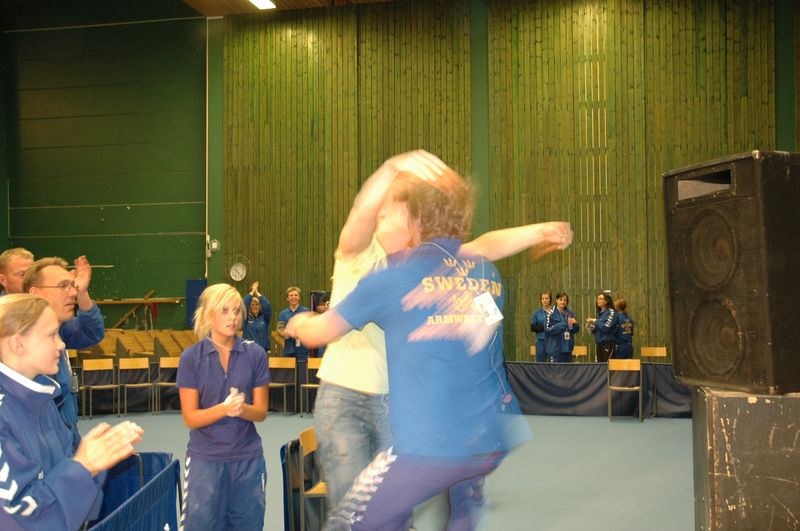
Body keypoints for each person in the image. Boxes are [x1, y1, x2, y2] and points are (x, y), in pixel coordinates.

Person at [287, 161, 556, 530]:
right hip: (489, 439)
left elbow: (319, 333)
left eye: (390, 214)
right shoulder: (483, 271)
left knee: (351, 518)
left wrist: (298, 322)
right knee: (459, 510)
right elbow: (484, 286)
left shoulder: (392, 278)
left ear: (415, 220)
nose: (380, 222)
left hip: (429, 446)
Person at [0, 294, 143, 530]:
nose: (62, 344)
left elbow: (76, 505)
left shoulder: (43, 401)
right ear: (18, 344)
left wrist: (92, 464)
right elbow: (17, 520)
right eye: (51, 335)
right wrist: (83, 467)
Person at [176, 283, 269, 530]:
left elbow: (260, 412)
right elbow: (190, 418)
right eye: (225, 310)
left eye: (237, 311)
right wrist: (224, 409)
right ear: (209, 314)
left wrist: (242, 409)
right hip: (204, 461)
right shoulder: (190, 358)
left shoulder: (256, 354)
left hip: (248, 460)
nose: (233, 317)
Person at [23, 256, 105, 450]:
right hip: (46, 442)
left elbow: (92, 332)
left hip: (67, 432)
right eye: (63, 286)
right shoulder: (23, 346)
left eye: (72, 286)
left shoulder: (60, 328)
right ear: (35, 293)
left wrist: (83, 292)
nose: (72, 294)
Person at [544, 291, 580, 362]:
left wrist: (575, 324)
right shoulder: (550, 313)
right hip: (555, 349)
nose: (563, 302)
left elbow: (575, 330)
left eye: (565, 300)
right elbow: (547, 329)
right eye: (560, 300)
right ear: (556, 300)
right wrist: (561, 325)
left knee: (568, 372)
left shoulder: (570, 313)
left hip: (567, 348)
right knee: (555, 372)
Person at [586, 291, 618, 362]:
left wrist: (595, 321)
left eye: (600, 298)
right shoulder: (599, 314)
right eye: (597, 298)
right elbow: (599, 330)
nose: (598, 300)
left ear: (606, 301)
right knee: (600, 367)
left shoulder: (611, 312)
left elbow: (606, 328)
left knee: (607, 367)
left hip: (608, 344)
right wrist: (591, 328)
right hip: (599, 344)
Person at [243, 281, 272, 353]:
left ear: (260, 306)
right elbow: (243, 304)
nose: (255, 307)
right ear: (249, 307)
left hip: (262, 350)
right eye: (252, 305)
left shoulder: (265, 318)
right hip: (248, 350)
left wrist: (257, 293)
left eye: (257, 305)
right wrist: (252, 292)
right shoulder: (246, 318)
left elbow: (267, 305)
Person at [530, 292, 553, 362]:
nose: (544, 300)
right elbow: (533, 328)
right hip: (540, 341)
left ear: (550, 300)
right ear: (540, 300)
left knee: (552, 363)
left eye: (546, 298)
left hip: (552, 341)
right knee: (540, 363)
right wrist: (544, 327)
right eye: (543, 298)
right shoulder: (536, 313)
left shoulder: (555, 312)